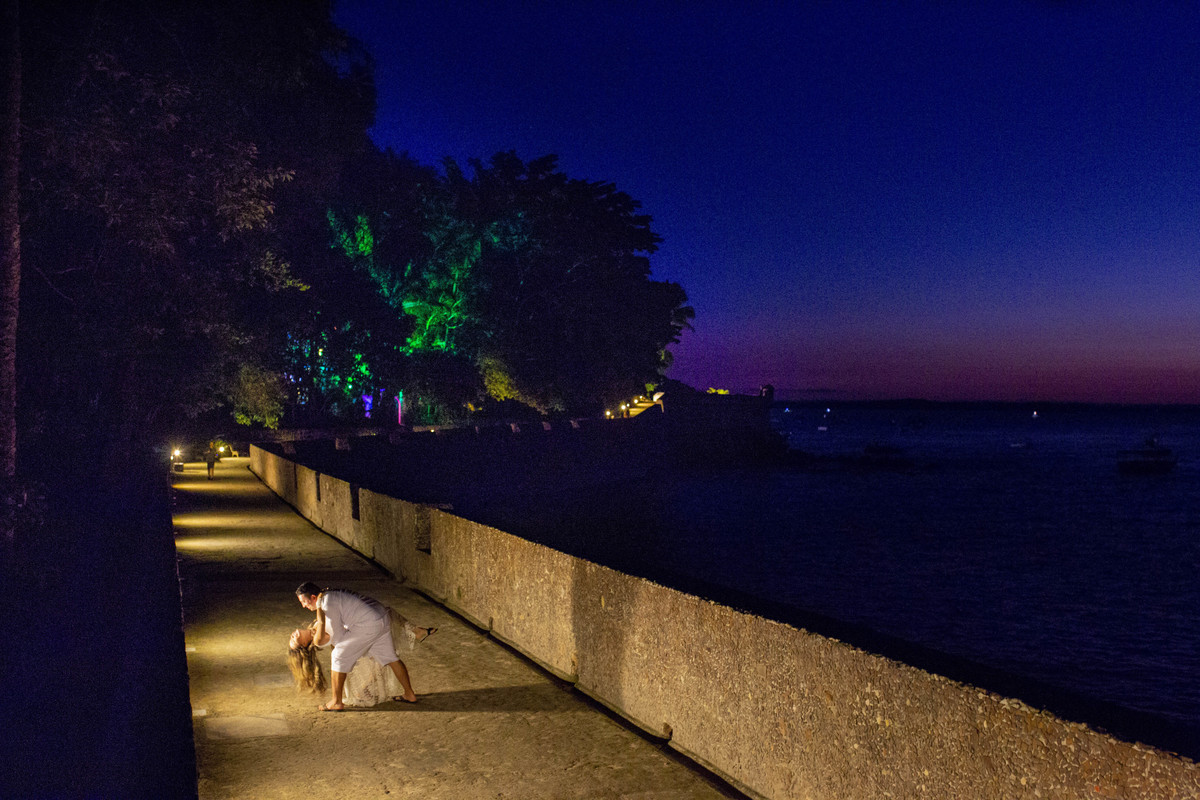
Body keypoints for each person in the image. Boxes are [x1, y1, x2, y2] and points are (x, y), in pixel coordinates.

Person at [292, 581, 436, 711]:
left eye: (304, 601)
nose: (304, 606)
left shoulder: (326, 603)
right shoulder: (328, 597)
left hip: (369, 622)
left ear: (312, 597)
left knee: (337, 656)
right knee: (391, 657)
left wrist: (350, 651)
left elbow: (339, 637)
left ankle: (336, 701)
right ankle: (409, 694)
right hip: (381, 616)